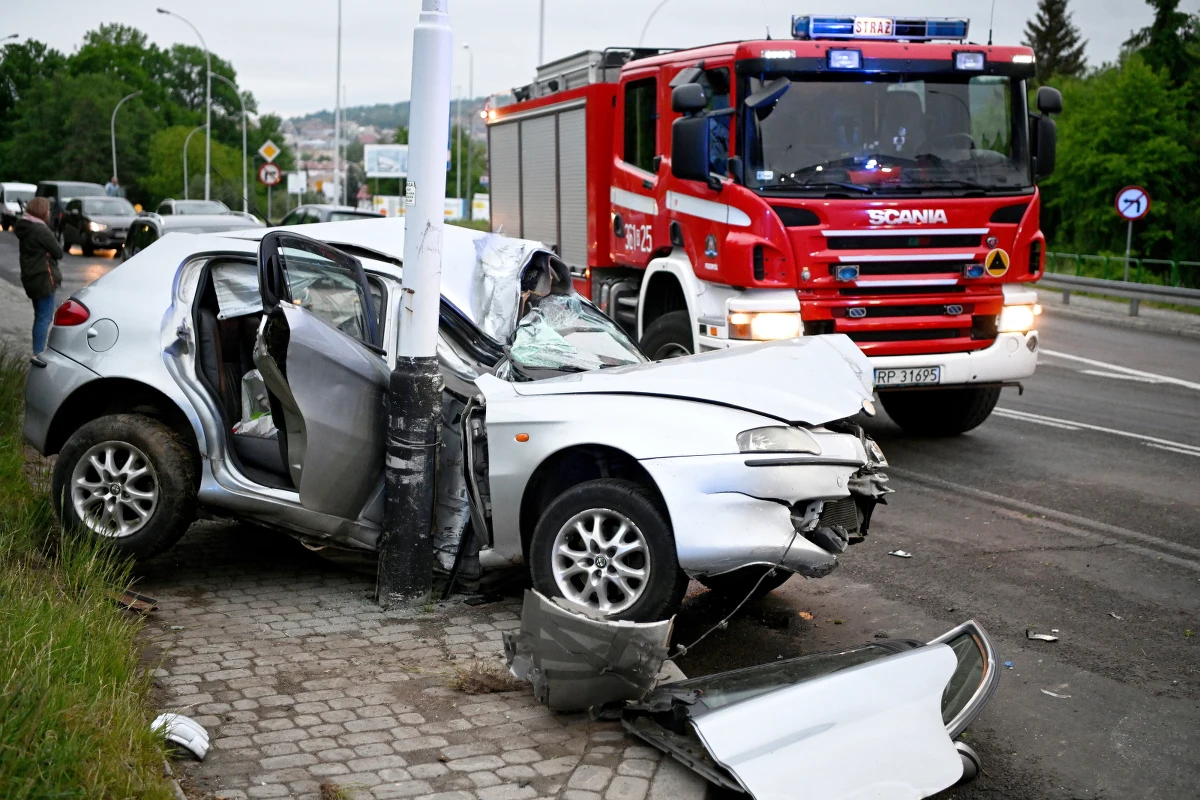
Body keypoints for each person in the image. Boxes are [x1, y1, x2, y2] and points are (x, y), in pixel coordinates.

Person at [14, 196, 64, 353]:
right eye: (48, 210)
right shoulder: (40, 229)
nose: (49, 213)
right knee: (44, 318)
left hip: (31, 276)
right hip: (44, 278)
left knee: (40, 316)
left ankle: (37, 352)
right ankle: (38, 354)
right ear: (42, 211)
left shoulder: (25, 226)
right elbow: (59, 252)